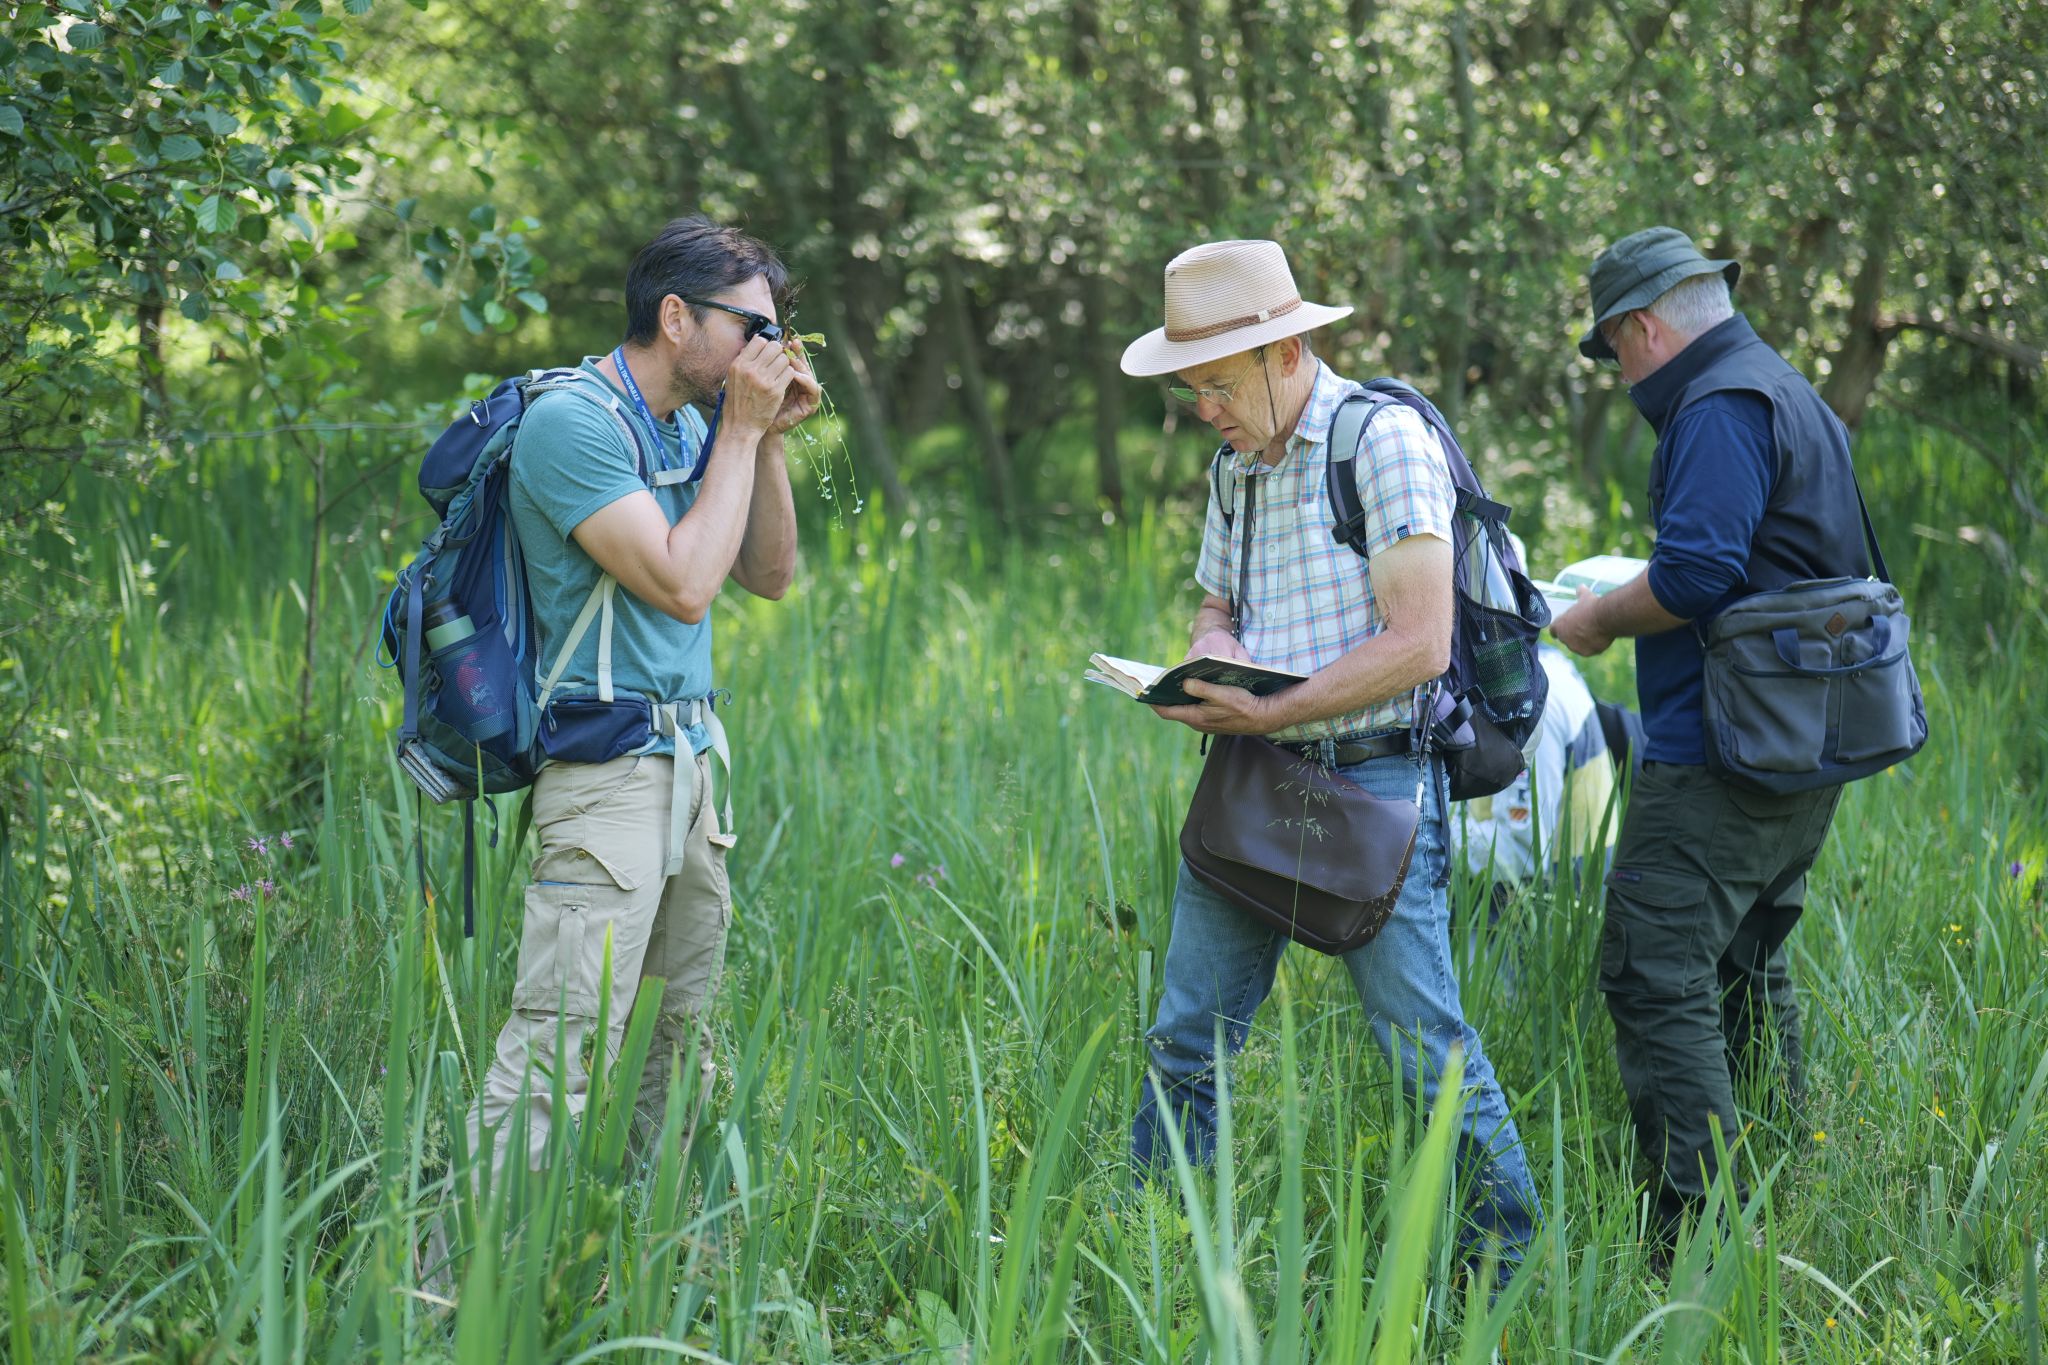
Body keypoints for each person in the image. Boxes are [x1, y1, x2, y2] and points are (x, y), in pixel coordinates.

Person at [1119, 239, 1542, 1270]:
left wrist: (1277, 710)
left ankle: (1506, 1270)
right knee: (1186, 1034)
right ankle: (1159, 1250)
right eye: (1190, 390)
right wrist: (1206, 665)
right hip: (1254, 776)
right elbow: (1217, 605)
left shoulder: (1380, 440)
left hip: (1376, 780)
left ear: (1286, 349)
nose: (1203, 409)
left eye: (1217, 385)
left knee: (1419, 1052)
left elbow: (1419, 642)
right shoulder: (1234, 466)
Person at [465, 216, 816, 1185]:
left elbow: (769, 575)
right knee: (558, 1051)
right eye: (751, 329)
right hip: (603, 776)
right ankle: (455, 1298)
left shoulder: (688, 424)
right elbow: (682, 583)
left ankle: (638, 1264)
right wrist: (739, 432)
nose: (768, 350)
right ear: (675, 317)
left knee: (674, 1040)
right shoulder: (572, 422)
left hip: (691, 772)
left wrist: (767, 441)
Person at [1552, 226, 1866, 1254]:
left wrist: (1596, 617)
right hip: (1804, 740)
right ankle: (1784, 1161)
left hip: (1724, 753)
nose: (1618, 374)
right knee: (1744, 957)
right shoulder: (1784, 387)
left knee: (1651, 972)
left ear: (1640, 327)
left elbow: (1692, 575)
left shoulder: (1716, 405)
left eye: (1613, 351)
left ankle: (1700, 1234)